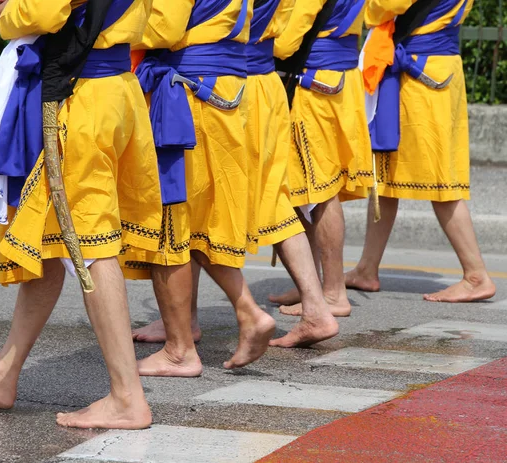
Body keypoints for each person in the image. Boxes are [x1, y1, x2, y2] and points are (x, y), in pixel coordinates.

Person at [0, 0, 163, 430]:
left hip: (81, 95)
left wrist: (9, 14)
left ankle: (127, 398)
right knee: (54, 236)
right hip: (113, 88)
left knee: (88, 245)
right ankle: (3, 372)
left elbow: (43, 12)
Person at [128, 0, 340, 349]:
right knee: (266, 201)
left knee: (193, 206)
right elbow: (285, 41)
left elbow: (169, 27)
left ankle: (205, 321)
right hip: (256, 81)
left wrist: (112, 31)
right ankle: (314, 306)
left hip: (213, 81)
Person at [119, 0, 282, 376]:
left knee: (171, 223)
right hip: (218, 85)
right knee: (192, 224)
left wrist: (99, 31)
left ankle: (180, 350)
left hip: (189, 90)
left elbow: (164, 27)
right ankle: (235, 316)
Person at [345, 0, 496, 303]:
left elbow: (384, 6)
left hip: (419, 70)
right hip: (434, 66)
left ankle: (476, 275)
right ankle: (366, 268)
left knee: (441, 181)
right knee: (386, 173)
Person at [269, 0, 374, 316]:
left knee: (321, 191)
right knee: (308, 188)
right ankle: (313, 285)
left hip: (313, 83)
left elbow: (286, 42)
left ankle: (332, 292)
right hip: (335, 78)